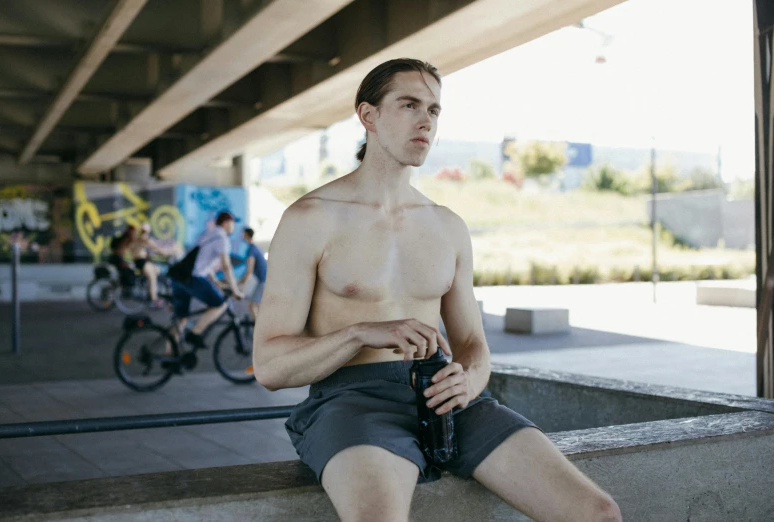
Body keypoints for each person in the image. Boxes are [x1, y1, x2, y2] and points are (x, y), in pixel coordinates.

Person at [252, 58, 622, 522]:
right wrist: (357, 333)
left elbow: (473, 347)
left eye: (434, 109)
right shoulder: (310, 219)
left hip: (448, 396)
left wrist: (469, 379)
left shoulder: (448, 226)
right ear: (368, 116)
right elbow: (269, 366)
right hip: (352, 402)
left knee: (597, 513)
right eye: (409, 105)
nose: (426, 119)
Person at [170, 210, 244, 349]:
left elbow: (203, 260)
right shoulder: (222, 238)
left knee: (182, 319)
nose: (234, 226)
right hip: (193, 278)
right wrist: (235, 290)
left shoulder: (208, 233)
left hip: (179, 278)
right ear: (226, 223)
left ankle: (169, 357)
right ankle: (194, 334)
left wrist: (216, 281)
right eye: (233, 223)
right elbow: (227, 266)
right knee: (220, 305)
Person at [128, 222, 168, 308]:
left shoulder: (137, 239)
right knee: (152, 278)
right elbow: (157, 248)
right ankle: (154, 299)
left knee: (157, 270)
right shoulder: (144, 239)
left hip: (140, 261)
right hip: (142, 262)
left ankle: (149, 290)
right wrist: (168, 252)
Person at [238, 227, 267, 321]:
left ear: (246, 235)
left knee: (252, 305)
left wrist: (241, 283)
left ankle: (259, 333)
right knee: (257, 305)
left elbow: (249, 270)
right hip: (264, 280)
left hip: (263, 281)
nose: (241, 236)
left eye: (242, 234)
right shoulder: (257, 247)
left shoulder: (252, 250)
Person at [108, 226, 136, 292]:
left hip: (118, 259)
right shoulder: (125, 239)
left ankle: (123, 288)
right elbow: (121, 251)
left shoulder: (126, 239)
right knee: (127, 272)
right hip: (117, 259)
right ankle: (125, 289)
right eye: (133, 232)